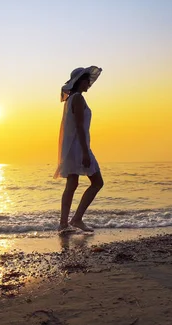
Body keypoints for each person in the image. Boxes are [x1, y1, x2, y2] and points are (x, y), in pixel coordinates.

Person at [54, 66, 104, 232]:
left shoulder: (71, 99)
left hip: (71, 147)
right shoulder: (78, 99)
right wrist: (85, 151)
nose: (89, 83)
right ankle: (76, 219)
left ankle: (64, 223)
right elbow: (80, 127)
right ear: (78, 81)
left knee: (72, 184)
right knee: (97, 182)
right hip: (78, 146)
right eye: (86, 80)